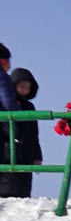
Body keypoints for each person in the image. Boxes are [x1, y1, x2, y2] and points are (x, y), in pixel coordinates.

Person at [1, 66, 38, 199]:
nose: (24, 90)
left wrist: (37, 155)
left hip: (26, 153)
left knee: (23, 192)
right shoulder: (3, 104)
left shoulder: (29, 107)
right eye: (21, 86)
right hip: (5, 154)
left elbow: (34, 133)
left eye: (27, 87)